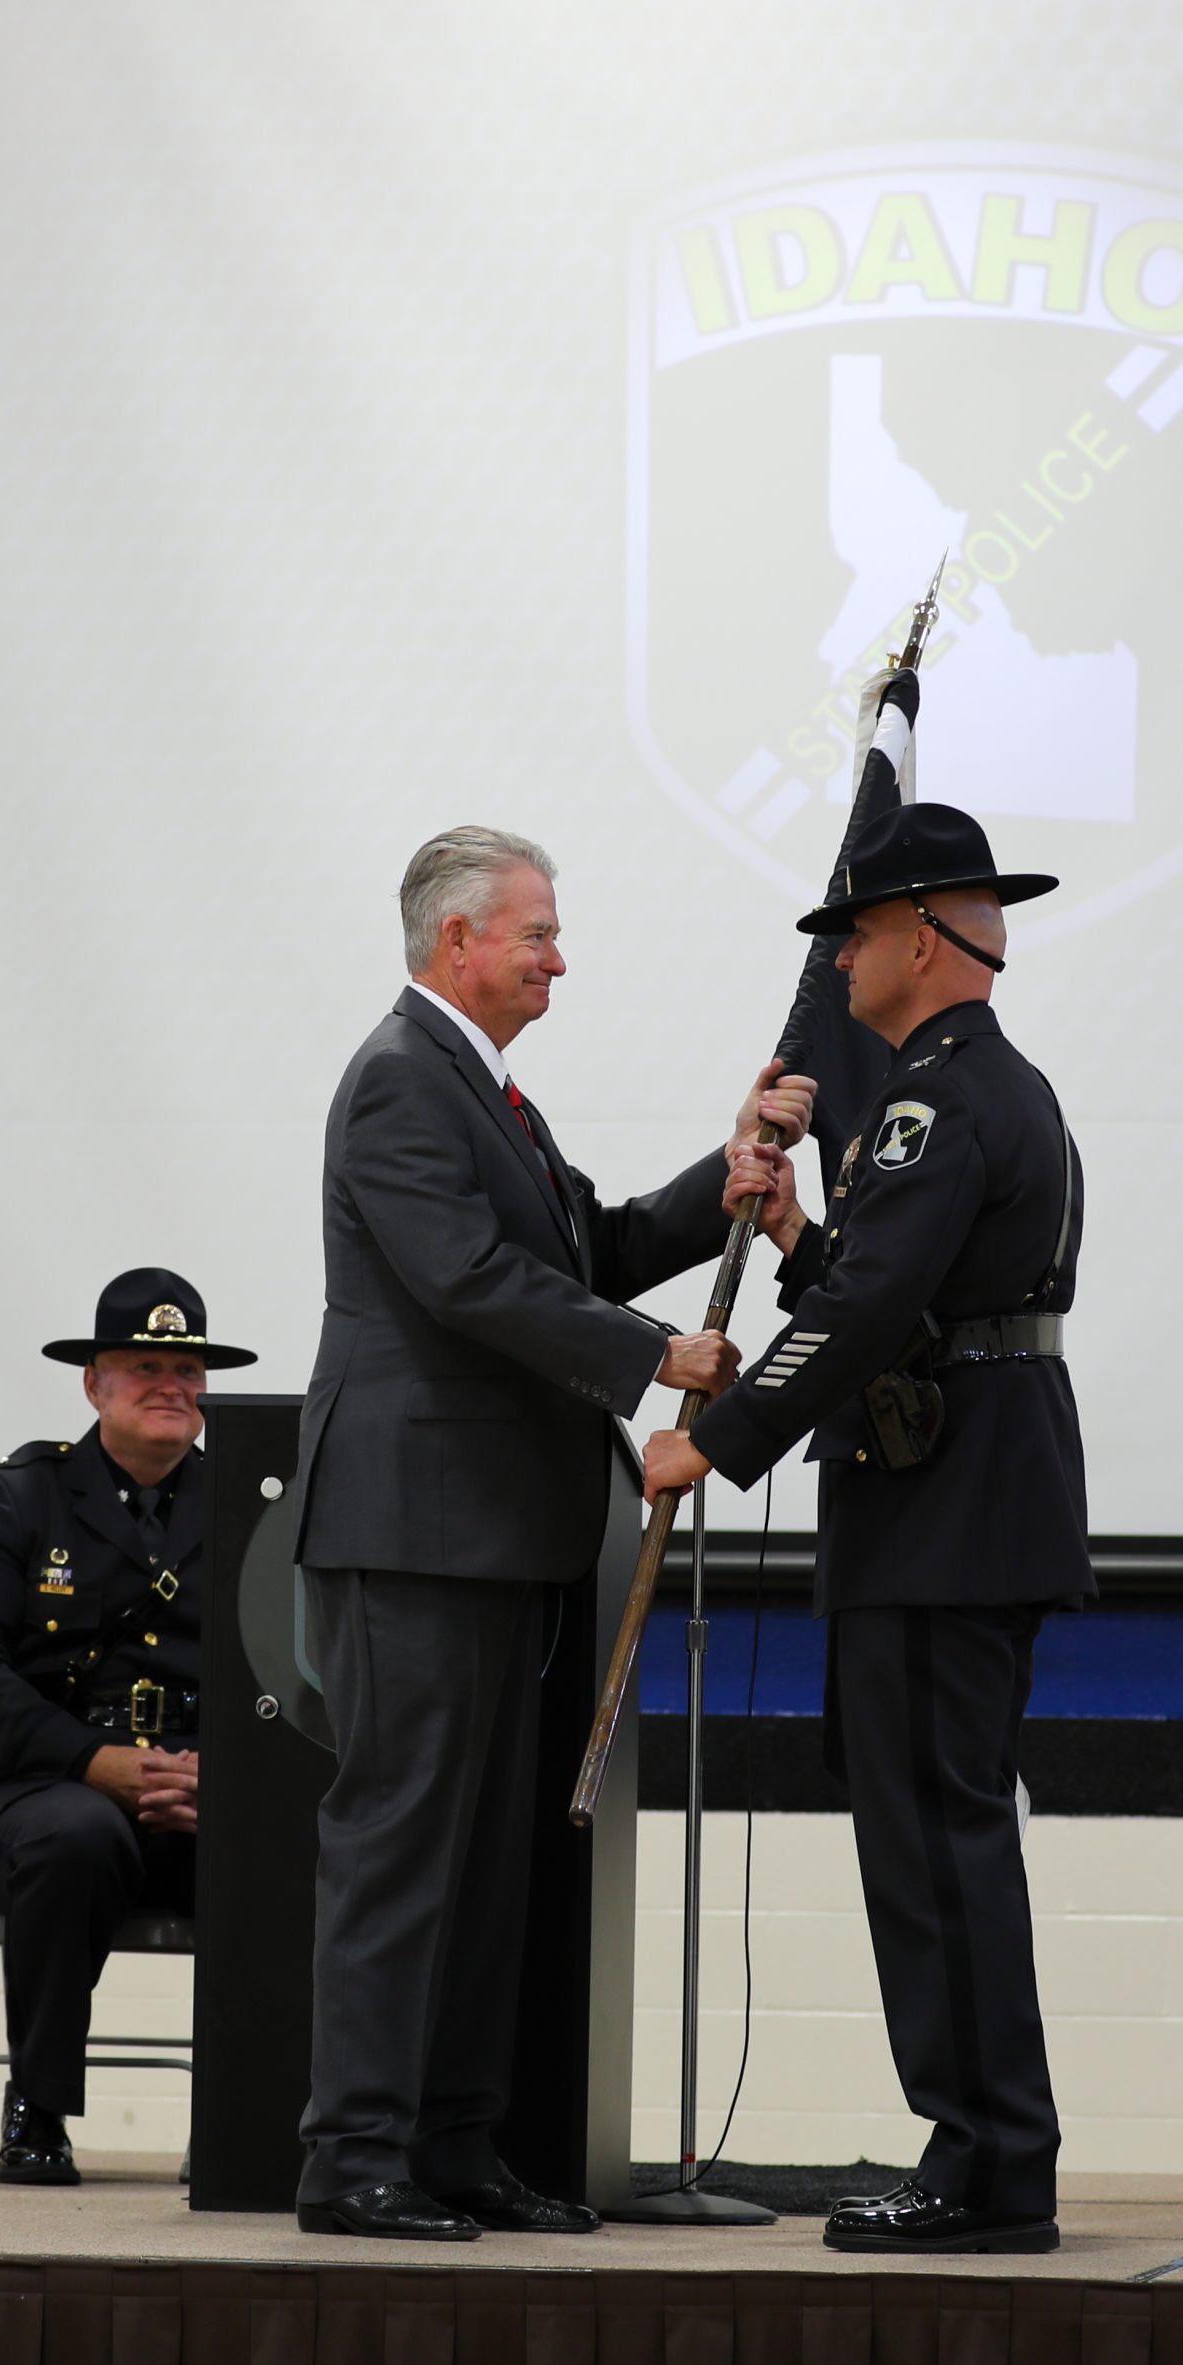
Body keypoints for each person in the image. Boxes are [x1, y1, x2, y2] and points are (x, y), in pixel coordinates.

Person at [293, 825, 814, 2242]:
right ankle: (354, 2157)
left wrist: (731, 1172)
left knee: (485, 1854)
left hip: (497, 1533)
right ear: (458, 939)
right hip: (415, 1532)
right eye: (536, 934)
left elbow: (578, 1245)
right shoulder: (405, 1080)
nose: (558, 958)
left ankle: (454, 2144)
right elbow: (465, 1280)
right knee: (404, 1842)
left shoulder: (489, 1094)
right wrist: (660, 1358)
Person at [645, 801, 1084, 2257]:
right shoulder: (973, 1089)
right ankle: (986, 2149)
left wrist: (713, 1438)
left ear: (914, 936)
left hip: (948, 1507)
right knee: (932, 1830)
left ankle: (984, 2162)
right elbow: (896, 1286)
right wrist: (789, 1244)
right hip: (960, 1494)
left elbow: (870, 1318)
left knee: (937, 1840)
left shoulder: (937, 1097)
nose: (834, 962)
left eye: (849, 933)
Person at [0, 1268, 253, 2185]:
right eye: (144, 1366)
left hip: (189, 1792)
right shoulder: (21, 1497)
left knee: (285, 1842)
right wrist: (89, 1759)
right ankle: (39, 2108)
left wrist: (223, 1778)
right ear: (94, 1384)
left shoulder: (251, 1508)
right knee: (77, 1835)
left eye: (188, 1372)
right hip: (31, 1794)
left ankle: (244, 2120)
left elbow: (301, 1674)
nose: (171, 1388)